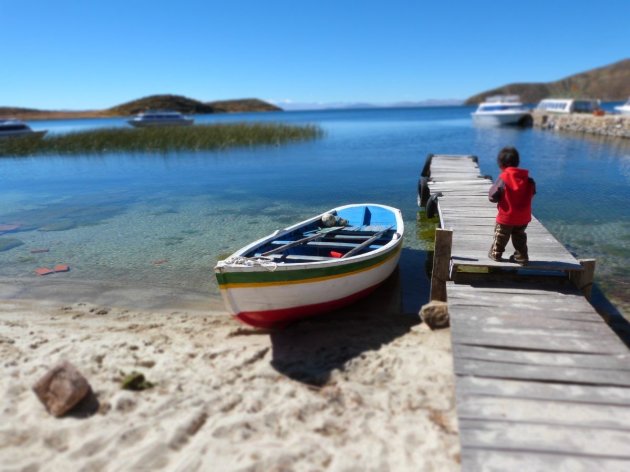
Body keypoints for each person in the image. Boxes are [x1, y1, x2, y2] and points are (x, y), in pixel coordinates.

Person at [487, 146, 536, 265]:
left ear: (501, 165)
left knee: (501, 235)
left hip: (506, 216)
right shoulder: (528, 179)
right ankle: (522, 256)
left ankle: (496, 254)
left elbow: (493, 196)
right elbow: (532, 192)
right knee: (519, 237)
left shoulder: (504, 178)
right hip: (523, 217)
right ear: (517, 162)